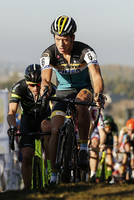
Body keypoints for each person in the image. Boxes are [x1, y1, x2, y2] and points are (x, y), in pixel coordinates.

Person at [39, 15, 105, 184]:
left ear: (73, 38)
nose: (61, 44)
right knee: (54, 130)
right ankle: (53, 175)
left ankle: (83, 147)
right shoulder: (49, 53)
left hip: (83, 89)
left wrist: (98, 94)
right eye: (57, 39)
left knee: (81, 102)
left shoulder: (86, 52)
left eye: (65, 40)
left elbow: (96, 76)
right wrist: (45, 89)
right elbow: (45, 78)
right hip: (62, 93)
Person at [7, 64, 56, 189]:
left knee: (47, 128)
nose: (35, 88)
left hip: (44, 118)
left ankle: (49, 170)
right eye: (31, 85)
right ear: (26, 82)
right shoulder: (19, 88)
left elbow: (57, 109)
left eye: (38, 84)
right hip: (27, 121)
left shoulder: (50, 87)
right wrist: (12, 127)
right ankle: (28, 189)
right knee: (27, 155)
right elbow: (12, 112)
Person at [88, 107, 106, 183]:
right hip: (78, 130)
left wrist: (101, 144)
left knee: (94, 144)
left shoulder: (96, 114)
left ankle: (93, 175)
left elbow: (102, 132)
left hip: (93, 133)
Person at [103, 114, 119, 182]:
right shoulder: (101, 124)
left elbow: (115, 137)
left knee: (109, 154)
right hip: (101, 135)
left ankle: (109, 174)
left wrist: (116, 144)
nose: (107, 128)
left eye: (109, 127)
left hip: (109, 138)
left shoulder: (114, 126)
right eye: (106, 126)